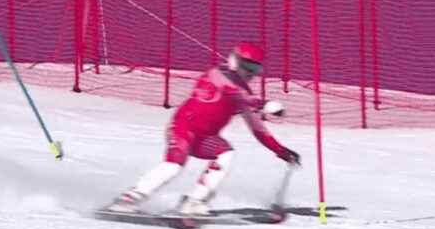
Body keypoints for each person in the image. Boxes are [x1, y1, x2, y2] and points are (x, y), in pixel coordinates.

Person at [105, 42, 300, 216]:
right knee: (174, 165)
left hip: (204, 138)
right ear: (234, 60)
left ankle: (194, 200)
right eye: (247, 66)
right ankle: (129, 198)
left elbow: (258, 129)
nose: (250, 73)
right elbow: (234, 92)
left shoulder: (244, 94)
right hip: (183, 128)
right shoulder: (217, 75)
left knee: (225, 153)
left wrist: (281, 151)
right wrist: (264, 103)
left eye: (255, 68)